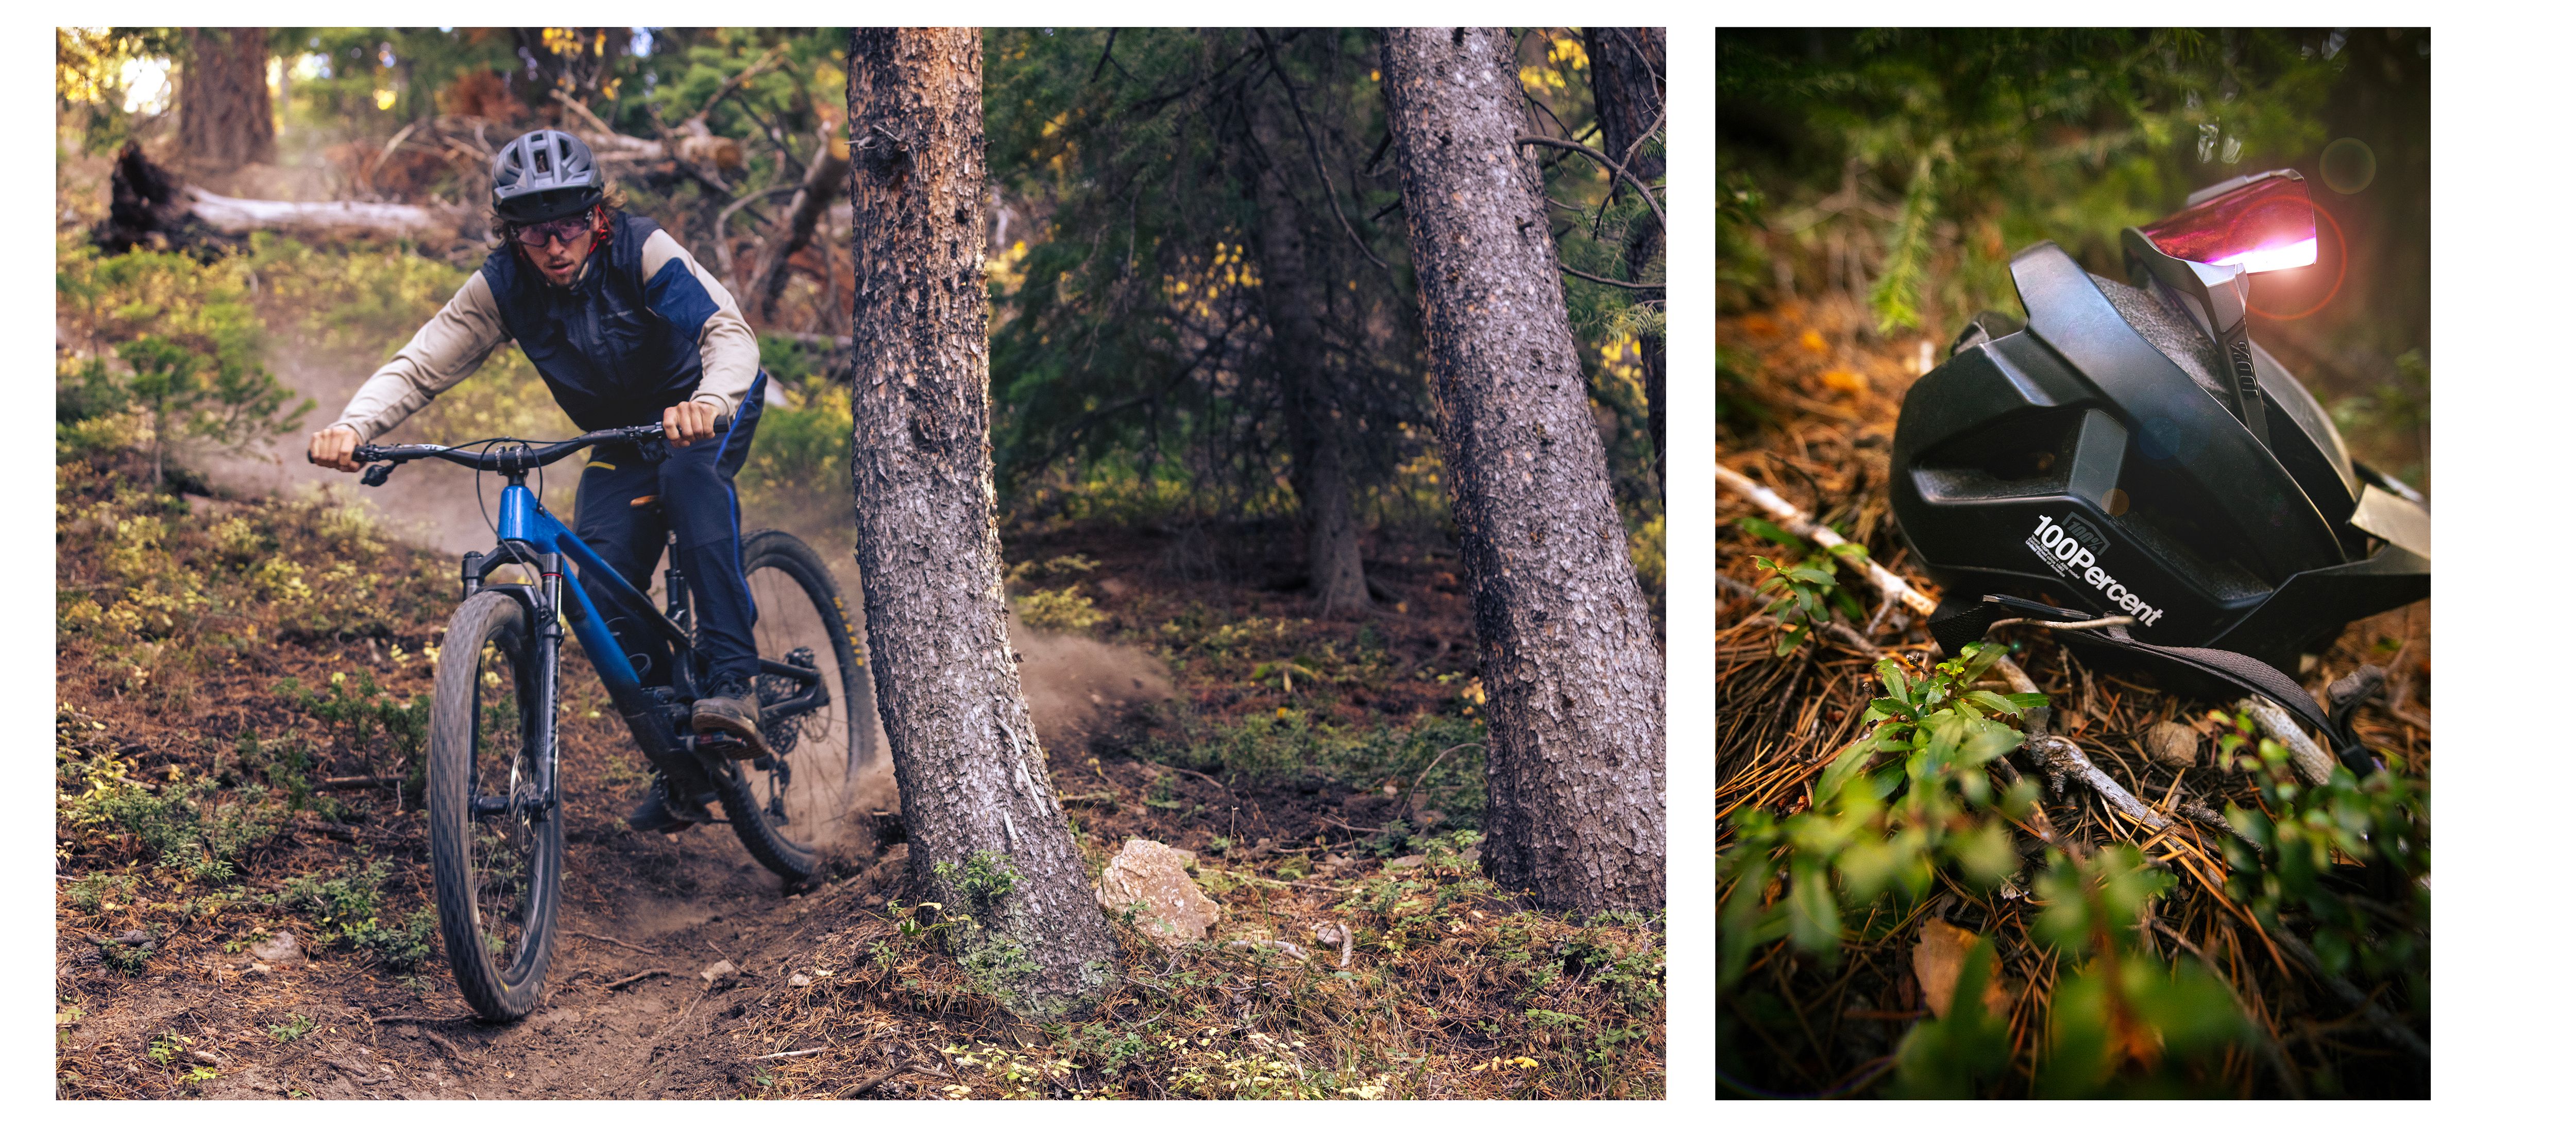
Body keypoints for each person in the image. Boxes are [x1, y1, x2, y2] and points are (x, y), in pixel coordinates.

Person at [308, 129, 769, 834]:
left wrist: (709, 402)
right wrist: (355, 425)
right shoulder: (503, 285)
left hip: (702, 406)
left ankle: (734, 683)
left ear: (597, 216)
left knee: (689, 485)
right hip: (617, 435)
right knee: (599, 575)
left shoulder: (642, 250)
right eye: (533, 232)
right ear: (510, 233)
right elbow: (422, 362)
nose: (555, 246)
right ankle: (680, 753)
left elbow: (728, 333)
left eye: (569, 225)